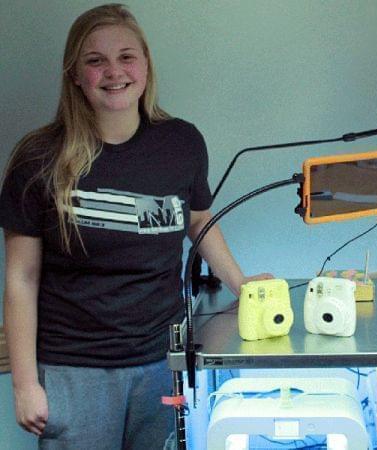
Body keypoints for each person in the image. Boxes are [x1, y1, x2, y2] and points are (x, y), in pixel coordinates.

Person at [0, 4, 271, 449]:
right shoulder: (38, 158)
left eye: (127, 56)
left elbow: (198, 220)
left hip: (161, 363)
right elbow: (21, 278)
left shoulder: (181, 142)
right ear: (74, 75)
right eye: (95, 60)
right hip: (74, 370)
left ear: (145, 65)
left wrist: (243, 285)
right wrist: (24, 384)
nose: (114, 71)